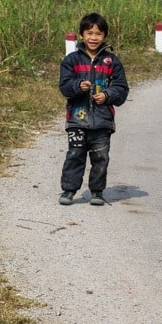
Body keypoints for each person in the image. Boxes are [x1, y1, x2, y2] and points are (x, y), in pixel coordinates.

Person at [58, 12, 129, 206]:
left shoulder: (112, 61)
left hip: (103, 121)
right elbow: (64, 86)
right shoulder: (71, 60)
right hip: (76, 119)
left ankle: (97, 192)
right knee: (75, 155)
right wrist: (78, 86)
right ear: (82, 35)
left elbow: (122, 89)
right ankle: (69, 190)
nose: (93, 38)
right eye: (89, 33)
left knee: (101, 157)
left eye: (98, 34)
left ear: (104, 36)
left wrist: (107, 95)